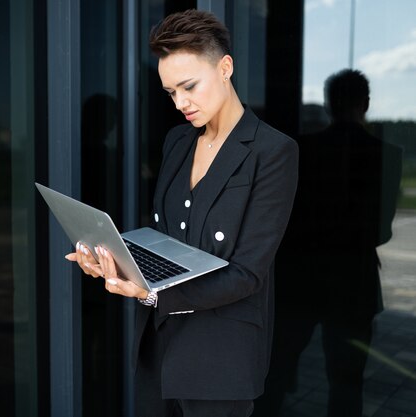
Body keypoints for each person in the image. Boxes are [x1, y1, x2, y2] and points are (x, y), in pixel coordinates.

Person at [66, 9, 299, 417]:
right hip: (157, 346)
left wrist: (151, 293)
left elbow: (247, 273)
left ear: (225, 67)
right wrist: (113, 263)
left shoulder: (272, 151)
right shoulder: (178, 141)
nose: (181, 103)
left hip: (221, 359)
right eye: (171, 92)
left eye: (189, 87)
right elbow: (166, 243)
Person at [255, 69, 403, 417]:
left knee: (275, 374)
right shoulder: (388, 154)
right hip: (354, 283)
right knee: (346, 385)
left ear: (328, 105)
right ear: (365, 104)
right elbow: (381, 232)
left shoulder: (300, 150)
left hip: (300, 278)